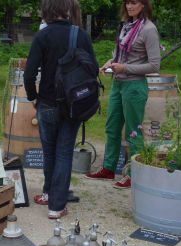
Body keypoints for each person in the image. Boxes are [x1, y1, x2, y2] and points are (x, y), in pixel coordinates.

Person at [24, 0, 97, 219]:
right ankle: (56, 206)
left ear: (46, 11)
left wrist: (33, 98)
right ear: (67, 9)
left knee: (49, 151)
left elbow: (29, 75)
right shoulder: (81, 35)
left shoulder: (42, 36)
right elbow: (92, 69)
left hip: (46, 103)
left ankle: (48, 193)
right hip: (74, 103)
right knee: (64, 152)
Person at [85, 0, 160, 188]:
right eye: (127, 2)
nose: (129, 6)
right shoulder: (127, 26)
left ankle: (135, 175)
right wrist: (110, 63)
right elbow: (120, 56)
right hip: (118, 84)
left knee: (133, 132)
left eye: (133, 2)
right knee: (112, 127)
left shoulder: (149, 29)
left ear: (143, 5)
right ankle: (109, 169)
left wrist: (124, 67)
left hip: (134, 86)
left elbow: (154, 65)